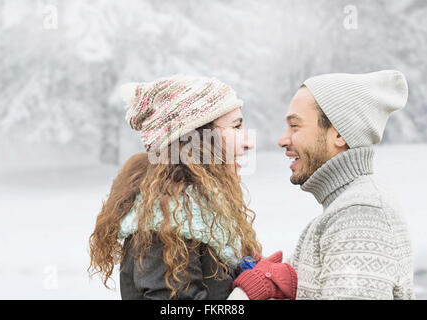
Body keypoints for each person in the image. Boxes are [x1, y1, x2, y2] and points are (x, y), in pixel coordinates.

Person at [88, 74, 297, 300]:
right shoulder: (166, 223)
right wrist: (247, 292)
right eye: (236, 126)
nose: (248, 142)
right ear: (197, 141)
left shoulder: (197, 216)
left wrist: (245, 272)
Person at [277, 70, 414, 299]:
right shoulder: (341, 209)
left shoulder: (361, 215)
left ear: (339, 134)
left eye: (295, 126)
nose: (282, 139)